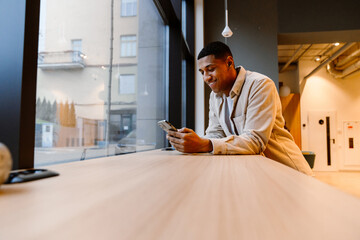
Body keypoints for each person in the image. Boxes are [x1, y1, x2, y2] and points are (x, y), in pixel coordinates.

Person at [167, 41, 313, 175]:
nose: (206, 77)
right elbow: (215, 134)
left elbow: (255, 141)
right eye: (202, 72)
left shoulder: (260, 85)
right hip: (261, 174)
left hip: (289, 172)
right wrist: (191, 141)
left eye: (210, 69)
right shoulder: (215, 96)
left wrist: (204, 144)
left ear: (229, 62)